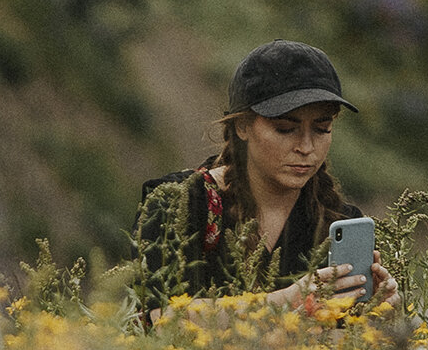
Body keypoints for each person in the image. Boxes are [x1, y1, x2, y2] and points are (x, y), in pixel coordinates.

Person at [135, 39, 399, 314]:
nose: (306, 147)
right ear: (242, 126)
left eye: (322, 129)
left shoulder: (337, 223)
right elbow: (160, 318)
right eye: (285, 129)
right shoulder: (176, 204)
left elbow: (343, 341)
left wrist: (375, 315)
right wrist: (287, 301)